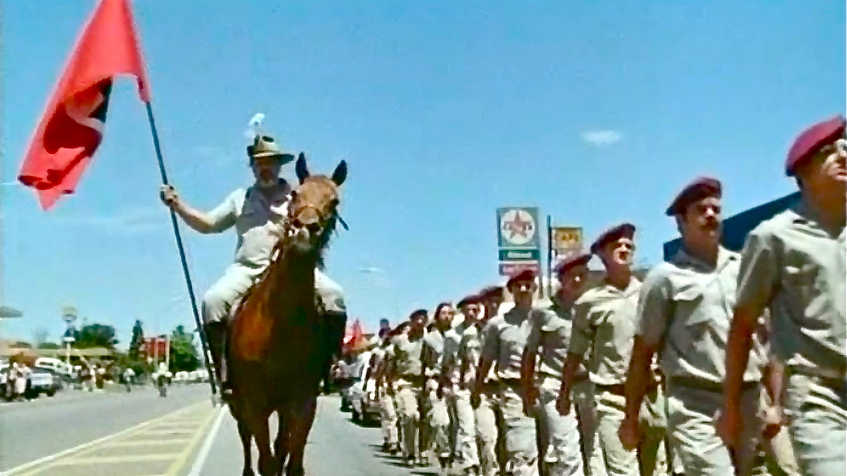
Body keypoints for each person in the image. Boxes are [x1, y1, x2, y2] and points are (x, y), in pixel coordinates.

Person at [158, 129, 347, 400]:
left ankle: (332, 364)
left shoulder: (298, 194)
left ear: (280, 165)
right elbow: (208, 224)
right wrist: (178, 205)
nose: (265, 168)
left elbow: (318, 217)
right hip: (247, 268)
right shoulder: (239, 198)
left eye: (270, 162)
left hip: (291, 268)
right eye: (259, 163)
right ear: (252, 167)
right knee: (213, 301)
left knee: (335, 296)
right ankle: (224, 371)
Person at [721, 115, 846, 476]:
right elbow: (743, 327)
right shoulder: (773, 238)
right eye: (828, 151)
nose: (843, 155)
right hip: (819, 396)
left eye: (845, 147)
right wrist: (731, 406)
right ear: (803, 173)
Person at [620, 177, 765, 476]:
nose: (711, 215)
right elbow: (643, 352)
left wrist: (775, 402)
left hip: (749, 398)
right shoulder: (665, 279)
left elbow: (765, 339)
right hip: (696, 403)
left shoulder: (743, 269)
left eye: (715, 209)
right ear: (681, 222)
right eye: (701, 210)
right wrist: (631, 417)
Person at [558, 224, 661, 476]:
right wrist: (564, 392)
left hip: (652, 397)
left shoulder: (652, 293)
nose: (625, 248)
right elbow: (575, 353)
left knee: (656, 471)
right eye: (617, 245)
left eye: (629, 244)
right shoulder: (589, 303)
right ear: (602, 254)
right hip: (612, 398)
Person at [523, 253, 592, 476]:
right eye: (573, 276)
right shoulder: (543, 311)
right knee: (568, 451)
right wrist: (528, 389)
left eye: (582, 275)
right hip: (554, 385)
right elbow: (530, 353)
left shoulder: (592, 307)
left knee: (594, 451)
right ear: (561, 279)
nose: (578, 280)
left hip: (588, 385)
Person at [473, 269, 542, 476]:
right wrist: (478, 388)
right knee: (522, 451)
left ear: (534, 288)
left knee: (555, 451)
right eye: (518, 286)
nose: (523, 289)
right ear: (511, 291)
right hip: (514, 391)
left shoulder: (546, 317)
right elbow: (486, 360)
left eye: (528, 285)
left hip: (545, 389)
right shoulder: (498, 324)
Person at [441, 294, 484, 474]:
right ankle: (470, 465)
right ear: (463, 312)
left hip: (483, 385)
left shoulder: (485, 331)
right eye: (468, 310)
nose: (472, 314)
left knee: (483, 429)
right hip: (462, 385)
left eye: (475, 310)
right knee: (466, 427)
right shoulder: (453, 336)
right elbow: (447, 362)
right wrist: (449, 384)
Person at [391, 309, 430, 467]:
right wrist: (391, 382)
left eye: (423, 319)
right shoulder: (400, 340)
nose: (420, 322)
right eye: (417, 319)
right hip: (405, 382)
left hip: (426, 383)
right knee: (410, 416)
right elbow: (392, 362)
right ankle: (410, 452)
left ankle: (424, 451)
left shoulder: (430, 339)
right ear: (411, 321)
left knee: (429, 421)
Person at [422, 303, 454, 468]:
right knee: (441, 421)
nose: (447, 316)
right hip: (435, 381)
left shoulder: (457, 335)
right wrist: (425, 384)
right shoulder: (429, 339)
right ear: (437, 316)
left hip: (455, 383)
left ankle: (455, 457)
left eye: (450, 313)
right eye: (443, 313)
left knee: (456, 424)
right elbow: (425, 362)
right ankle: (444, 453)